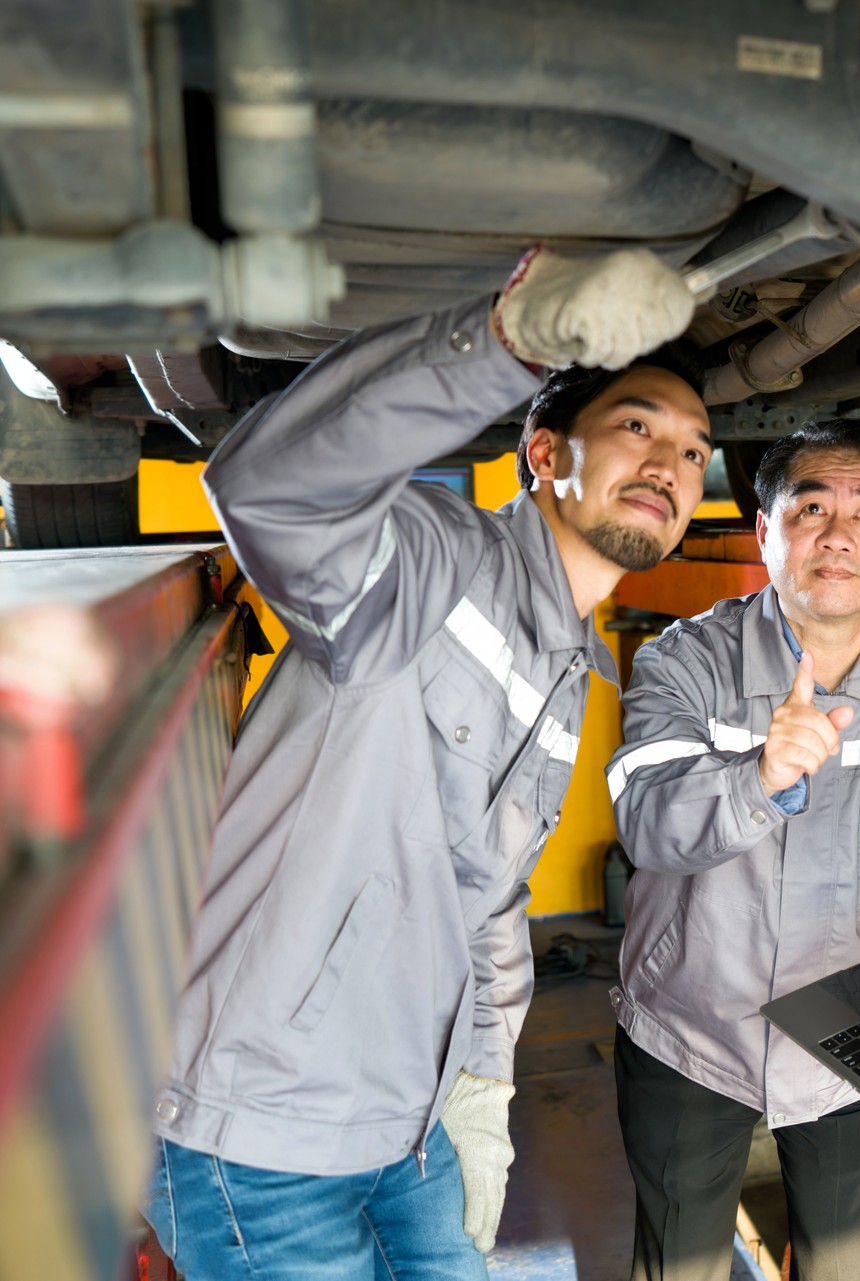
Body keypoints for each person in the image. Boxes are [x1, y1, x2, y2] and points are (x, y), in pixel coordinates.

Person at [144, 246, 707, 1278]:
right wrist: (508, 339)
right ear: (544, 455)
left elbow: (489, 905)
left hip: (413, 1125)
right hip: (264, 1135)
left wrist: (481, 1094)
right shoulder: (439, 558)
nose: (671, 465)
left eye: (693, 450)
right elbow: (270, 487)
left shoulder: (569, 666)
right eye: (637, 427)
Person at [605, 418, 860, 1281]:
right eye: (810, 507)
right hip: (693, 1022)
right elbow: (646, 824)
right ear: (764, 532)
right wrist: (756, 776)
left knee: (842, 1263)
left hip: (849, 1029)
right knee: (677, 1265)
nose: (838, 533)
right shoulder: (683, 665)